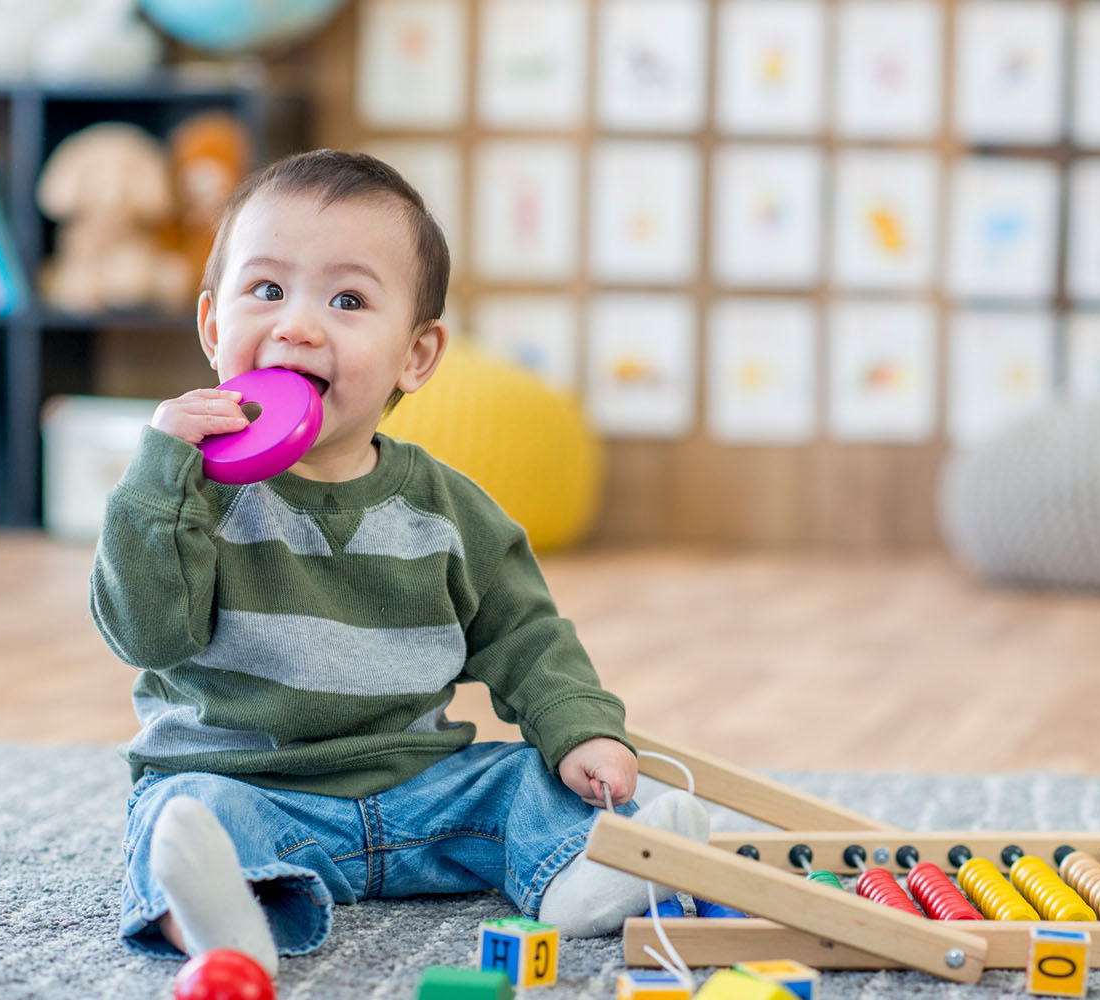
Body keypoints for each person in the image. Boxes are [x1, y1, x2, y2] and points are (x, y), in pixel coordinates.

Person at [90, 149, 708, 977]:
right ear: (212, 327)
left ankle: (590, 871)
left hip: (423, 793)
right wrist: (157, 476)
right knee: (185, 813)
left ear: (415, 356)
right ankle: (222, 920)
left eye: (346, 300)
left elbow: (526, 635)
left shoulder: (449, 510)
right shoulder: (185, 495)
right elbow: (148, 635)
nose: (297, 325)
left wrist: (581, 730)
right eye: (266, 290)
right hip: (253, 784)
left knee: (526, 783)